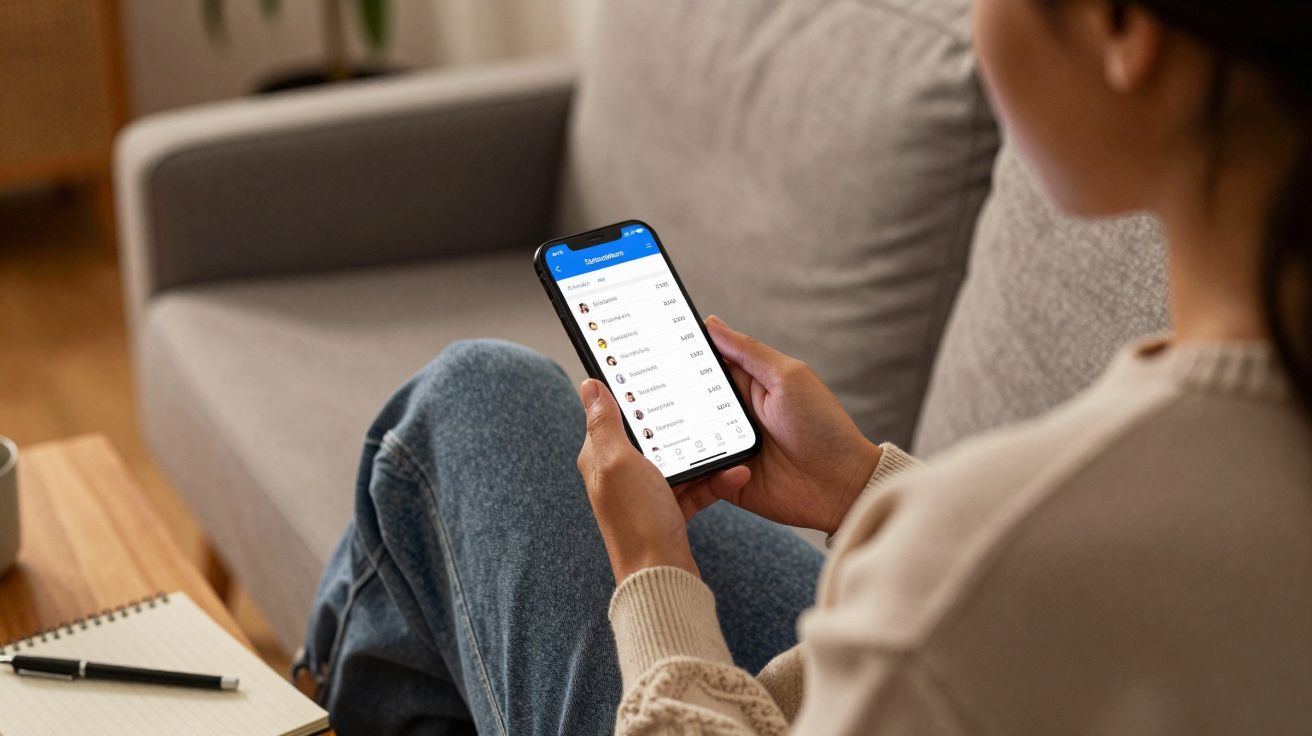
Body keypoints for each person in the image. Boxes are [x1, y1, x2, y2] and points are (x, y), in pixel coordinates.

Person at [300, 1, 1312, 733]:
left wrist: (652, 573)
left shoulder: (979, 560)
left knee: (457, 419)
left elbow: (1003, 589)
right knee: (483, 401)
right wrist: (865, 489)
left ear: (1123, 30)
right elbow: (1094, 613)